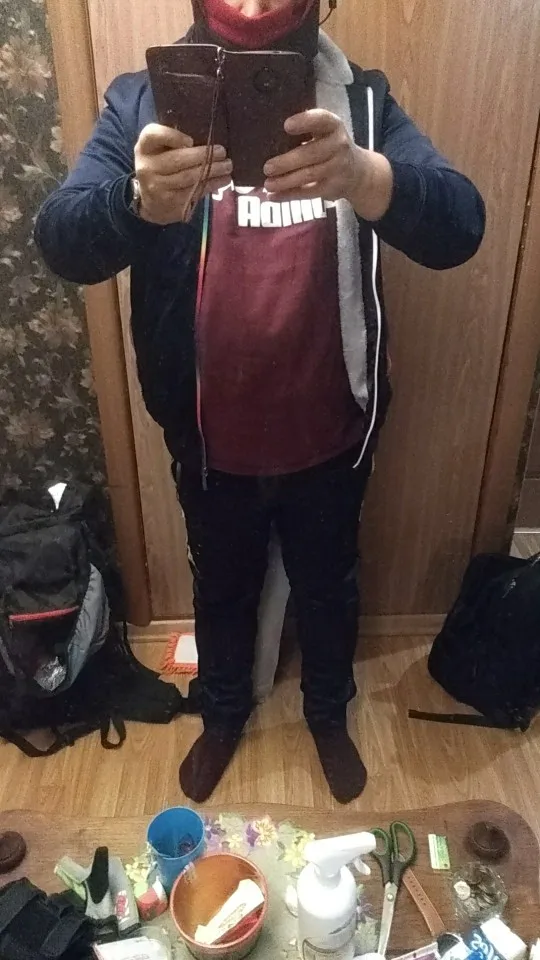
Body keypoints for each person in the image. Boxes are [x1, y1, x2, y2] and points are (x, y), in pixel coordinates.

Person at [35, 0, 485, 804]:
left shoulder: (364, 104)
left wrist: (364, 176)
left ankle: (328, 716)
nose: (250, 4)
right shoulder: (142, 101)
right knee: (222, 588)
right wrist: (136, 202)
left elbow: (461, 224)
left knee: (329, 585)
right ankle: (222, 715)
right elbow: (61, 239)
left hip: (332, 428)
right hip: (210, 437)